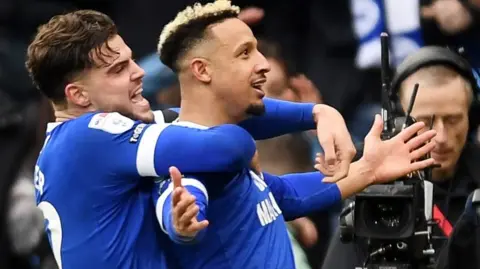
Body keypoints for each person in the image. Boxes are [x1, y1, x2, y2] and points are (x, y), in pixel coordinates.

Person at [26, 8, 366, 269]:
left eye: (131, 61)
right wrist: (242, 149)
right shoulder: (88, 137)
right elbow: (223, 146)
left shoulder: (96, 140)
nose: (139, 72)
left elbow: (210, 120)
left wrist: (318, 113)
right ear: (78, 96)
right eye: (118, 69)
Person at [153, 1, 437, 268]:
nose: (263, 63)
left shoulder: (225, 151)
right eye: (244, 53)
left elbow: (286, 195)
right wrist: (181, 223)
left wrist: (368, 168)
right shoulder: (186, 157)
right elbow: (181, 197)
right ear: (202, 70)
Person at [321, 47, 480, 269]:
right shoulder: (370, 185)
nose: (441, 137)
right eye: (426, 121)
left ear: (471, 117)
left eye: (453, 120)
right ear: (398, 119)